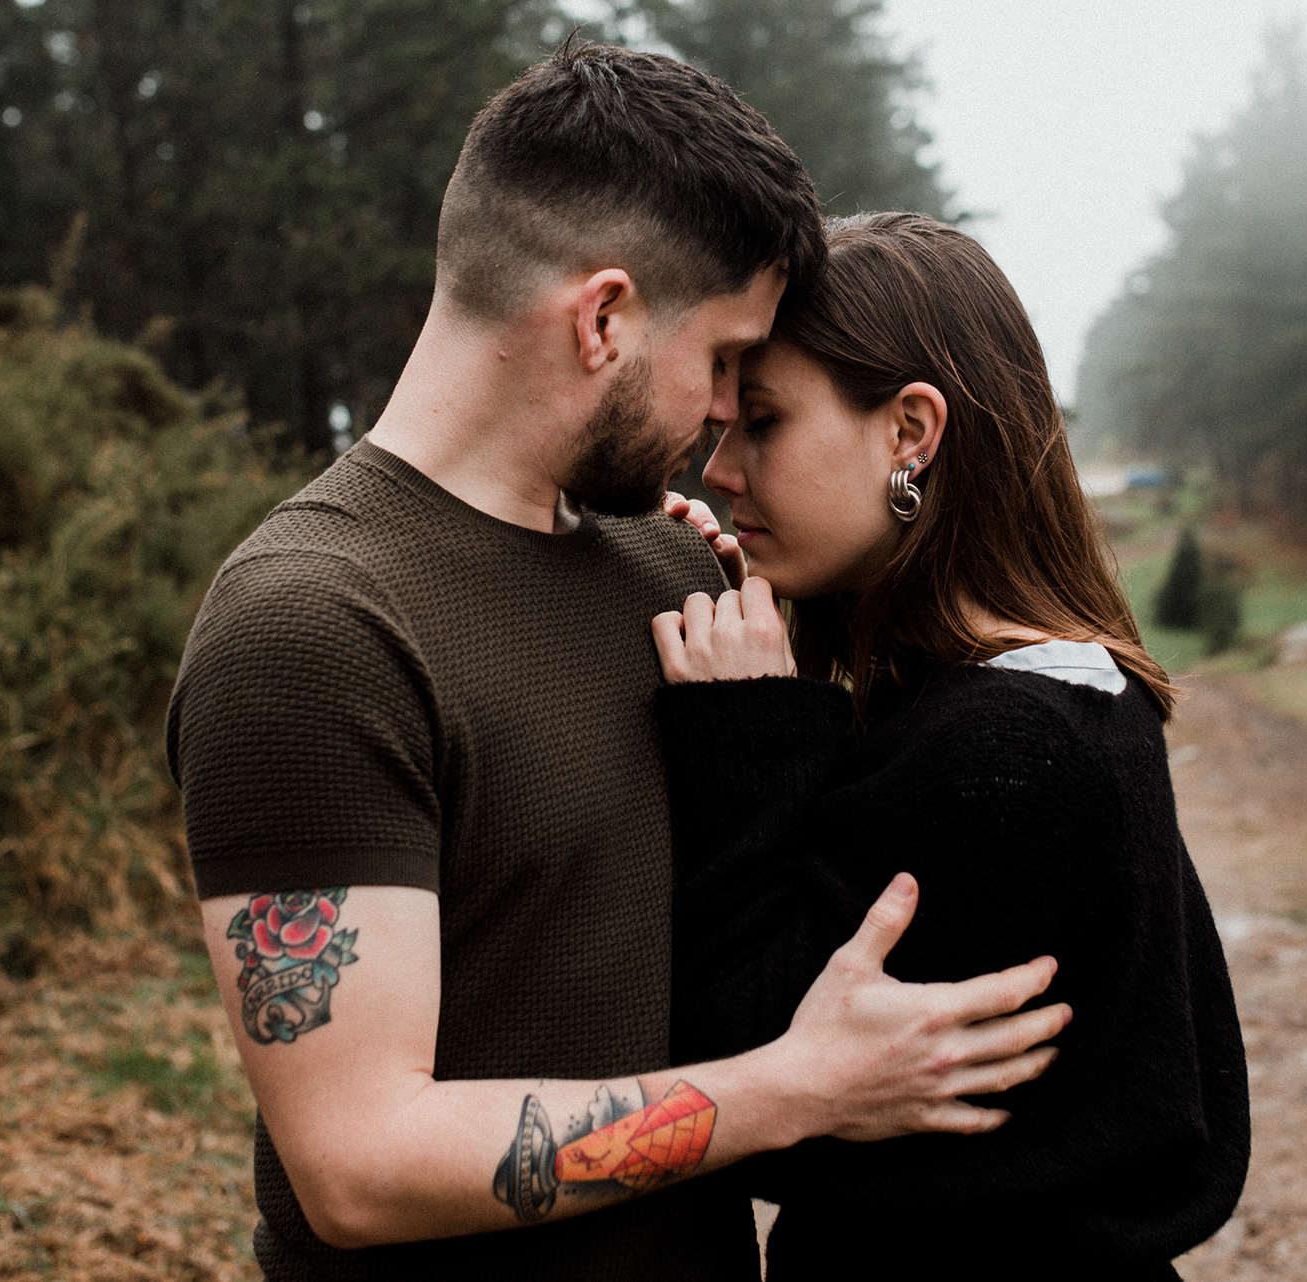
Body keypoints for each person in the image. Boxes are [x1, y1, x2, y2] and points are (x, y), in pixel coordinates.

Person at [167, 47, 1070, 1281]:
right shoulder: (312, 629)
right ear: (603, 319)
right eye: (721, 366)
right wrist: (791, 1090)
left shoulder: (678, 576)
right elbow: (358, 1166)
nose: (718, 427)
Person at [650, 213, 1251, 1281]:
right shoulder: (1066, 691)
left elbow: (744, 1071)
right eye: (721, 427)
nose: (719, 470)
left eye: (766, 424)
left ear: (910, 432)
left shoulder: (1001, 750)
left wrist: (740, 740)